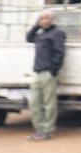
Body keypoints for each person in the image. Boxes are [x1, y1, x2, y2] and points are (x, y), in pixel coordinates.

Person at [26, 9, 65, 141]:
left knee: (49, 104)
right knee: (34, 103)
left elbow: (59, 53)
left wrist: (52, 71)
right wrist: (36, 26)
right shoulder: (40, 34)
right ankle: (39, 129)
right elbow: (28, 38)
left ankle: (47, 130)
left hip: (48, 73)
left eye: (47, 18)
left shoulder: (57, 33)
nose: (44, 20)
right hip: (38, 72)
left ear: (52, 20)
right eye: (41, 18)